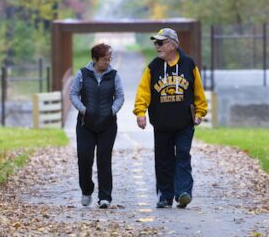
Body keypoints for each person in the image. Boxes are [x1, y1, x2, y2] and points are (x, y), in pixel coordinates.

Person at [134, 28, 208, 209]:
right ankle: (165, 196)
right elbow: (143, 92)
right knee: (163, 160)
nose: (156, 46)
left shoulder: (189, 64)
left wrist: (200, 112)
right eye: (155, 43)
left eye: (160, 43)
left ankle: (183, 193)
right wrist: (141, 113)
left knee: (183, 156)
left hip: (184, 123)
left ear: (173, 45)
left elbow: (198, 91)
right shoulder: (153, 67)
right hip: (162, 124)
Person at [69, 43, 124, 209]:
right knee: (85, 158)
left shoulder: (113, 75)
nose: (107, 62)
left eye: (109, 59)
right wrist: (83, 109)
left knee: (104, 159)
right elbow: (73, 94)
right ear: (94, 59)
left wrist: (112, 111)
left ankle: (105, 197)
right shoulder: (83, 74)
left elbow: (120, 96)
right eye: (104, 60)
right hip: (86, 124)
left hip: (107, 125)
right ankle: (87, 190)